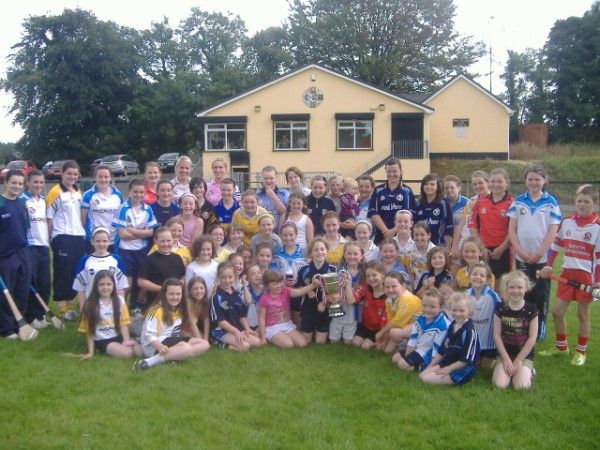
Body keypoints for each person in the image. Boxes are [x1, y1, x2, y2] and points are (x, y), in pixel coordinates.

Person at [539, 184, 600, 365]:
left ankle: (581, 351)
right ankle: (561, 347)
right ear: (575, 202)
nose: (582, 204)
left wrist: (598, 281)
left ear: (595, 203)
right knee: (557, 311)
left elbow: (599, 258)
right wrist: (548, 265)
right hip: (567, 273)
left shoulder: (597, 227)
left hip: (586, 277)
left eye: (587, 202)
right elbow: (555, 246)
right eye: (579, 201)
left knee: (583, 314)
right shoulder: (567, 222)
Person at [508, 163, 561, 340]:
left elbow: (553, 230)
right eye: (530, 179)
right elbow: (511, 229)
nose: (534, 182)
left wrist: (539, 253)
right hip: (522, 256)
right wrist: (520, 250)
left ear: (544, 180)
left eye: (537, 179)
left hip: (542, 258)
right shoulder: (518, 201)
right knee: (523, 291)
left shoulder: (551, 202)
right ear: (525, 181)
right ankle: (525, 324)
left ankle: (540, 324)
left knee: (541, 292)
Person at [134, 278, 210, 371]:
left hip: (171, 340)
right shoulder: (157, 310)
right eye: (171, 294)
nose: (175, 297)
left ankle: (173, 356)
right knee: (186, 348)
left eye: (178, 294)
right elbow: (148, 335)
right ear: (164, 294)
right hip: (154, 344)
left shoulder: (179, 308)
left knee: (204, 344)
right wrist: (160, 346)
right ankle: (150, 362)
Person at [46, 160, 87, 320]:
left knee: (74, 272)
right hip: (62, 236)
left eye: (75, 174)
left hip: (78, 236)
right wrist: (51, 238)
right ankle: (62, 308)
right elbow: (49, 218)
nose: (72, 176)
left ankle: (69, 306)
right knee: (62, 271)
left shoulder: (79, 192)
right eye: (69, 173)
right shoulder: (55, 192)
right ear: (62, 173)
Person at [112, 179, 158, 310]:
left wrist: (132, 230)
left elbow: (151, 232)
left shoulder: (147, 209)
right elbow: (122, 235)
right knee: (127, 284)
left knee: (140, 281)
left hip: (141, 250)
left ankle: (135, 308)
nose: (138, 195)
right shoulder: (123, 209)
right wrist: (142, 232)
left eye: (141, 192)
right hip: (125, 251)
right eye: (135, 192)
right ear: (129, 192)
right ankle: (119, 308)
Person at [77, 270, 141, 360]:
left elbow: (123, 324)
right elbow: (89, 330)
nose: (105, 287)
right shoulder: (90, 304)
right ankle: (101, 349)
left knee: (140, 352)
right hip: (103, 340)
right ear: (96, 286)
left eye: (108, 284)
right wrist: (90, 352)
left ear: (113, 285)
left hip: (118, 336)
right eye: (101, 284)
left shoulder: (120, 300)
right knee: (128, 353)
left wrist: (126, 341)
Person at [420, 292, 480, 385]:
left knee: (426, 379)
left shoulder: (469, 331)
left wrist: (449, 369)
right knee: (422, 375)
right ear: (450, 310)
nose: (458, 314)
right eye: (454, 310)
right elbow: (442, 350)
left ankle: (464, 378)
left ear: (469, 310)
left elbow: (465, 361)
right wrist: (430, 366)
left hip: (463, 367)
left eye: (462, 311)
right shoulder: (452, 325)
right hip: (448, 362)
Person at [0, 169, 33, 338]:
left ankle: (19, 323)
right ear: (6, 182)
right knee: (7, 291)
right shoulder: (1, 204)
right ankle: (6, 328)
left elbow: (25, 227)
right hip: (5, 254)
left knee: (22, 289)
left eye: (20, 184)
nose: (17, 186)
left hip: (23, 251)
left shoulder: (22, 203)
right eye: (13, 182)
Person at [492, 271, 538, 389]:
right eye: (512, 287)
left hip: (523, 355)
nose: (515, 291)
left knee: (521, 387)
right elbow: (496, 335)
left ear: (526, 288)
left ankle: (529, 370)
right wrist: (506, 359)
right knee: (499, 385)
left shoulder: (532, 310)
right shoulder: (500, 308)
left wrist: (518, 360)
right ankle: (502, 368)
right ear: (506, 288)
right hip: (505, 353)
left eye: (519, 287)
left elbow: (532, 338)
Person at [468, 168, 513, 283]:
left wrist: (502, 248)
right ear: (489, 183)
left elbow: (513, 230)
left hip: (503, 250)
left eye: (499, 181)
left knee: (500, 284)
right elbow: (473, 225)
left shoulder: (512, 203)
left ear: (507, 183)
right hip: (483, 249)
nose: (495, 184)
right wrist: (481, 246)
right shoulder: (480, 202)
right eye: (493, 181)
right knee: (481, 281)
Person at [258, 269, 321, 348]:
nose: (279, 285)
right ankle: (271, 337)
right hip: (273, 328)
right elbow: (261, 319)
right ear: (267, 286)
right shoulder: (264, 299)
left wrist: (313, 285)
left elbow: (300, 291)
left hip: (287, 324)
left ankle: (284, 336)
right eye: (275, 284)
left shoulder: (286, 291)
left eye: (280, 282)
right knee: (288, 344)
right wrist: (263, 337)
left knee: (303, 343)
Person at [393, 287, 449, 372]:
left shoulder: (442, 325)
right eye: (424, 305)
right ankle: (412, 363)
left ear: (441, 308)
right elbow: (413, 337)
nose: (427, 309)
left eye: (432, 307)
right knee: (395, 359)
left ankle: (422, 367)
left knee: (402, 364)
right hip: (418, 348)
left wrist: (431, 366)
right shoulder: (420, 318)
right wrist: (408, 355)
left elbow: (437, 349)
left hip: (428, 353)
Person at [21, 170, 51, 328]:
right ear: (28, 182)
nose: (38, 185)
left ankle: (40, 314)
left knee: (44, 283)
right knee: (32, 282)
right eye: (35, 182)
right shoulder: (22, 200)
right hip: (29, 248)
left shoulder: (43, 201)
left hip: (43, 247)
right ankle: (31, 316)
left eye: (41, 182)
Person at [73, 227, 128, 311]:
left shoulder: (117, 260)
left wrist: (121, 309)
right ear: (92, 241)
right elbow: (80, 288)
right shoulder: (85, 260)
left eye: (104, 241)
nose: (101, 244)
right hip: (91, 305)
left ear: (109, 241)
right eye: (98, 241)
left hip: (112, 307)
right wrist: (82, 310)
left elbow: (121, 286)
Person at [210, 262, 261, 351]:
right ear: (218, 278)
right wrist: (236, 332)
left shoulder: (237, 294)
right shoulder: (216, 297)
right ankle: (217, 342)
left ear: (234, 277)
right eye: (223, 277)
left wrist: (247, 328)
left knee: (257, 342)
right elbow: (220, 322)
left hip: (237, 328)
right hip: (221, 331)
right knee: (245, 346)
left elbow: (242, 316)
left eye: (230, 277)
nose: (227, 280)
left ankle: (235, 338)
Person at [296, 237, 337, 344]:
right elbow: (298, 288)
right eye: (316, 250)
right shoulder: (303, 269)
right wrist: (307, 290)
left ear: (327, 251)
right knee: (306, 341)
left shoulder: (332, 269)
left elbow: (335, 294)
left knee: (320, 342)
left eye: (322, 249)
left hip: (324, 309)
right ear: (311, 253)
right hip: (308, 308)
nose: (320, 252)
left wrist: (324, 301)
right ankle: (305, 327)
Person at [368, 158, 415, 244]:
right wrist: (385, 231)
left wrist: (392, 232)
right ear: (385, 172)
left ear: (400, 171)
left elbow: (408, 215)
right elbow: (373, 213)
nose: (392, 174)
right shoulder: (378, 190)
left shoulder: (407, 191)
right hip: (382, 236)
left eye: (395, 171)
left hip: (401, 236)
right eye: (389, 171)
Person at [137, 227, 186, 306]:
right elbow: (141, 282)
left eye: (168, 240)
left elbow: (183, 276)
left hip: (175, 301)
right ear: (156, 241)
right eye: (162, 241)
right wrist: (163, 289)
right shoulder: (150, 259)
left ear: (173, 240)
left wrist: (180, 285)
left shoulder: (177, 258)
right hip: (156, 301)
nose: (166, 244)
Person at [465, 262, 501, 368]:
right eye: (474, 274)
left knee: (485, 368)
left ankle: (497, 360)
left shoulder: (493, 296)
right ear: (469, 277)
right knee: (473, 366)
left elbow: (500, 315)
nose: (478, 277)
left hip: (489, 343)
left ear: (488, 280)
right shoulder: (465, 295)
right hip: (472, 340)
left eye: (482, 275)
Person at [376, 271, 422, 353]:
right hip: (404, 329)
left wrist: (381, 332)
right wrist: (384, 336)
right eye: (387, 287)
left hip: (421, 332)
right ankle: (400, 349)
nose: (390, 290)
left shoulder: (408, 299)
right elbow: (390, 320)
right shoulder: (388, 300)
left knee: (393, 332)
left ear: (403, 286)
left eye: (394, 286)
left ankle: (406, 350)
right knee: (385, 350)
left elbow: (396, 323)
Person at [81, 165, 123, 252]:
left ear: (110, 178)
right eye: (100, 177)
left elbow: (121, 217)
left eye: (106, 177)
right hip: (94, 240)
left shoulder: (118, 194)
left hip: (112, 240)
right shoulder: (88, 195)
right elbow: (83, 220)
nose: (103, 179)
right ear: (95, 178)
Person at [329, 242, 363, 345]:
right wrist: (333, 296)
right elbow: (330, 290)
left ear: (361, 256)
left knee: (348, 342)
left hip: (353, 310)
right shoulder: (338, 270)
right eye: (349, 253)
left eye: (355, 254)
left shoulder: (363, 274)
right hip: (338, 308)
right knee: (334, 341)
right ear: (344, 255)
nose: (352, 256)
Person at [349, 261, 388, 350]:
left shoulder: (387, 293)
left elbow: (386, 318)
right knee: (355, 343)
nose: (371, 278)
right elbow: (353, 299)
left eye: (374, 275)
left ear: (382, 274)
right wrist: (348, 284)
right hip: (365, 325)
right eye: (368, 276)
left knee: (365, 347)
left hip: (378, 329)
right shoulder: (366, 288)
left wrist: (382, 334)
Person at [414, 173, 453, 247]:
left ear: (437, 187)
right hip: (419, 246)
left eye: (432, 184)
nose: (429, 187)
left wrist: (447, 248)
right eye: (426, 184)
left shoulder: (443, 204)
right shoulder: (417, 204)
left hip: (438, 246)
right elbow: (412, 226)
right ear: (422, 187)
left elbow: (448, 229)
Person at [406, 222, 435, 291]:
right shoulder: (409, 251)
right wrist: (412, 291)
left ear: (429, 235)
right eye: (416, 235)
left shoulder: (434, 250)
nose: (419, 238)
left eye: (422, 234)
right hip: (416, 287)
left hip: (432, 287)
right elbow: (411, 273)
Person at [185, 276, 210, 341]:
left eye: (201, 288)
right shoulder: (189, 302)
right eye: (195, 289)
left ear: (205, 289)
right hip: (183, 330)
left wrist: (206, 338)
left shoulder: (205, 301)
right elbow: (192, 324)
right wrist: (201, 341)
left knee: (206, 340)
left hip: (193, 329)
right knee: (201, 343)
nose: (199, 291)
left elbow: (206, 321)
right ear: (190, 291)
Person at [241, 264, 263, 329]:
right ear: (247, 278)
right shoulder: (245, 289)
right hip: (251, 325)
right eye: (253, 274)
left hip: (264, 323)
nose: (257, 275)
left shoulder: (266, 289)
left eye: (258, 273)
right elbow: (248, 301)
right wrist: (244, 283)